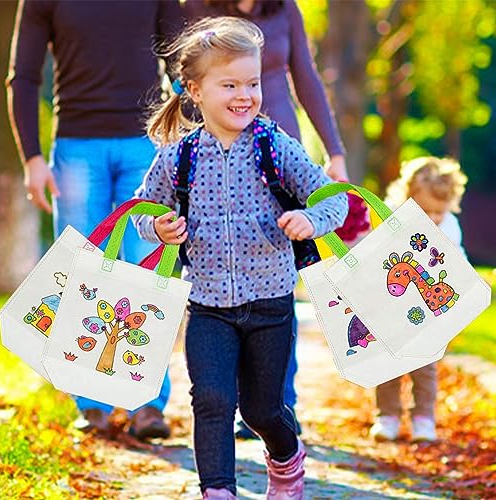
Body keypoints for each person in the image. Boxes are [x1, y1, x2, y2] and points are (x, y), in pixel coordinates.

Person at [133, 16, 348, 498]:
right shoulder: (178, 157)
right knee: (211, 400)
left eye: (252, 83)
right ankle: (219, 490)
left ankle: (287, 460)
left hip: (270, 303)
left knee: (262, 410)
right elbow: (142, 212)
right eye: (229, 84)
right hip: (208, 306)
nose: (245, 95)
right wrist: (160, 228)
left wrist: (312, 221)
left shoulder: (274, 146)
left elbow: (334, 198)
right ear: (194, 89)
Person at [6, 0, 183, 440]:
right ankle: (91, 402)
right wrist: (31, 158)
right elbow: (23, 77)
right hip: (76, 147)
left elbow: (181, 62)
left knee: (145, 270)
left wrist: (186, 138)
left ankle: (147, 402)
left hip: (146, 144)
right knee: (84, 271)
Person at [182, 0, 349, 439]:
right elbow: (187, 76)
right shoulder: (197, 8)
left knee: (274, 277)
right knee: (230, 284)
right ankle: (243, 402)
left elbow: (306, 77)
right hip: (219, 153)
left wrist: (335, 152)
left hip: (275, 158)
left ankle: (276, 405)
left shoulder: (284, 9)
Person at [370, 156, 468, 443]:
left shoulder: (449, 226)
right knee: (387, 363)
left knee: (424, 368)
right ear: (408, 197)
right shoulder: (393, 221)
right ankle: (387, 416)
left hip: (430, 312)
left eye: (440, 211)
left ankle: (423, 419)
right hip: (393, 309)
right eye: (426, 210)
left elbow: (456, 263)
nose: (433, 218)